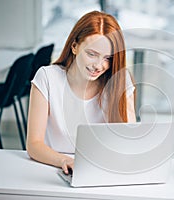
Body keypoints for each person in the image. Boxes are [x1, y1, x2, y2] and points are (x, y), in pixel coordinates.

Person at [26, 11, 136, 175]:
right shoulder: (48, 78)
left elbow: (129, 139)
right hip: (53, 169)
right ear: (74, 47)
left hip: (102, 171)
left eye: (108, 58)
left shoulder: (119, 80)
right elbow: (34, 145)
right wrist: (65, 160)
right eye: (92, 54)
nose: (98, 66)